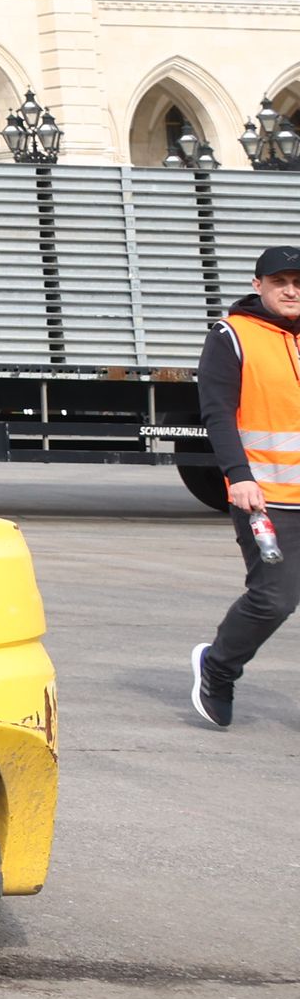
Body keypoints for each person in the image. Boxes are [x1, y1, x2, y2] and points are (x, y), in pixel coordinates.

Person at [190, 243, 300, 728]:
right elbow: (217, 411)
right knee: (273, 598)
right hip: (266, 496)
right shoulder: (232, 335)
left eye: (298, 284)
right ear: (259, 286)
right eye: (281, 283)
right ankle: (218, 667)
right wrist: (238, 476)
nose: (291, 291)